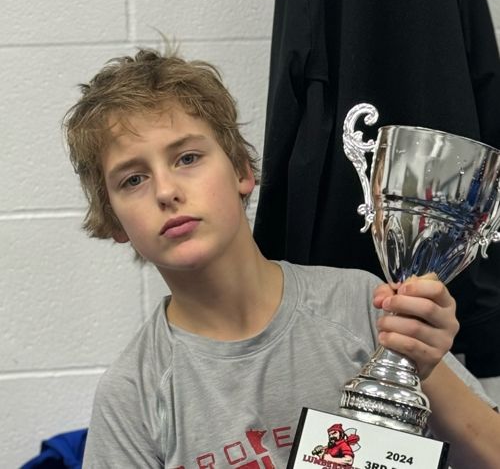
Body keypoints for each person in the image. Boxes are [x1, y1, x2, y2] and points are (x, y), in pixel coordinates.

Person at [63, 47, 500, 469]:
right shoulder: (131, 395)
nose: (165, 191)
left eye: (187, 158)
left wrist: (422, 364)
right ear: (114, 220)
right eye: (133, 179)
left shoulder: (365, 306)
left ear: (241, 171)